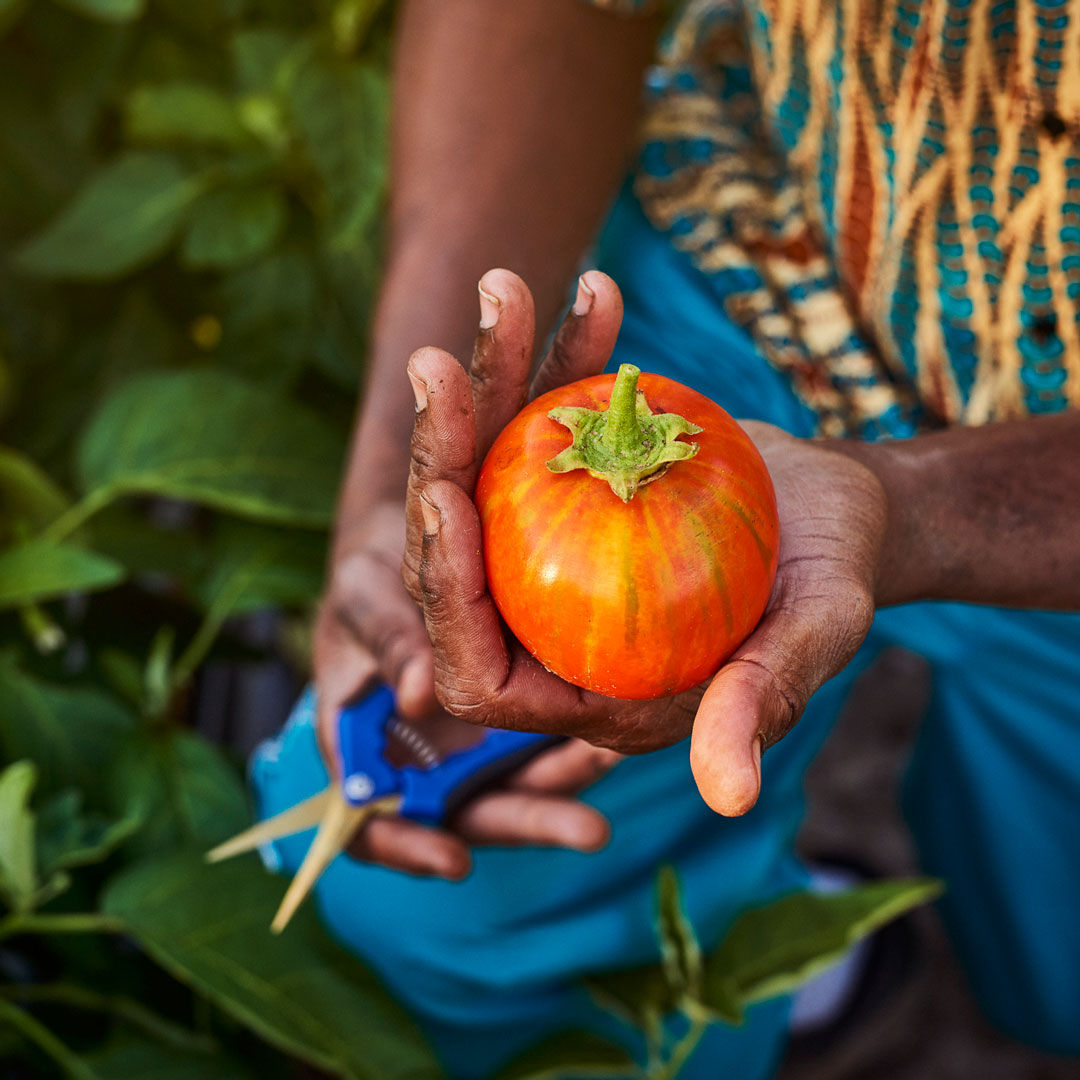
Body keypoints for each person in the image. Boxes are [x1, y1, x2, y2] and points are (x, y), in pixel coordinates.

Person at [251, 0, 1080, 1076]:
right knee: (416, 888)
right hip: (750, 264)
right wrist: (395, 476)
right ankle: (779, 970)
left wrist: (917, 506)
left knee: (1057, 973)